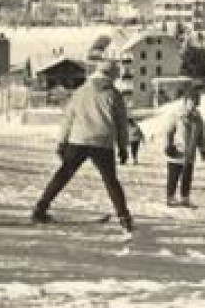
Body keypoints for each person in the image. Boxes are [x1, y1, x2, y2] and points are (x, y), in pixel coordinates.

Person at [31, 60, 134, 233]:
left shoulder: (80, 92)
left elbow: (68, 119)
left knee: (63, 175)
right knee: (111, 181)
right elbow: (121, 124)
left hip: (78, 139)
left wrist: (61, 142)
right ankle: (124, 217)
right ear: (112, 75)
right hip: (103, 142)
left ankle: (40, 209)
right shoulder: (114, 95)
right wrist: (123, 147)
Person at [164, 89, 205, 207]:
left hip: (190, 153)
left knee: (187, 177)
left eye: (196, 101)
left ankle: (185, 198)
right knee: (173, 176)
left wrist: (203, 149)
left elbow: (201, 135)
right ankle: (170, 197)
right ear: (186, 101)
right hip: (176, 151)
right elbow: (169, 131)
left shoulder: (198, 118)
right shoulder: (177, 115)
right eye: (191, 101)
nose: (194, 104)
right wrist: (167, 145)